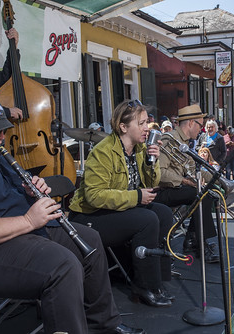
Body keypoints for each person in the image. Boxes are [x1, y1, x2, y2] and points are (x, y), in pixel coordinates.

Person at [0, 96, 143, 334]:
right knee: (63, 265)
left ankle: (103, 325)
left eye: (2, 131)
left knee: (91, 242)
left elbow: (8, 198)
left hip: (20, 234)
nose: (1, 139)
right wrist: (29, 220)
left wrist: (30, 191)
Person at [68, 99, 174, 308]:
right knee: (148, 219)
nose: (147, 128)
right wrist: (136, 197)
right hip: (89, 215)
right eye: (141, 123)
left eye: (147, 122)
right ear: (123, 127)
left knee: (163, 213)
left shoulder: (139, 149)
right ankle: (143, 286)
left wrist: (153, 162)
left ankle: (156, 281)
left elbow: (151, 185)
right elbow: (94, 196)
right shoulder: (103, 151)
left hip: (116, 209)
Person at [155, 105, 219, 263]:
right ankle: (199, 243)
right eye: (200, 125)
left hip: (176, 189)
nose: (202, 129)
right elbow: (160, 174)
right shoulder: (169, 140)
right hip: (160, 191)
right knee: (198, 193)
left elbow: (193, 168)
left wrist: (217, 177)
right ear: (191, 123)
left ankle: (192, 239)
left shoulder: (185, 143)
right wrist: (184, 180)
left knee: (205, 192)